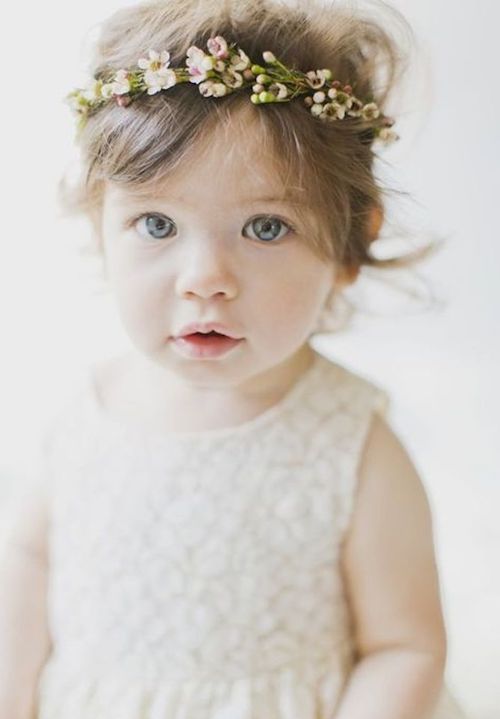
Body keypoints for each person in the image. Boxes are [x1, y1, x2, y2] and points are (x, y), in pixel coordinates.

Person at [0, 0, 472, 717]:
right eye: (156, 224)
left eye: (264, 225)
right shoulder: (80, 416)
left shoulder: (353, 446)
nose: (205, 275)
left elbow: (403, 645)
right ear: (100, 225)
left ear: (350, 244)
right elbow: (29, 566)